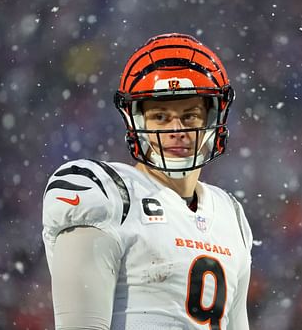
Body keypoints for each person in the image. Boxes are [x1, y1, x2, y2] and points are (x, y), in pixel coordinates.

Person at [42, 33, 253, 330]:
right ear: (137, 122)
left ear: (214, 118)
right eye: (161, 116)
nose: (177, 129)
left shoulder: (230, 215)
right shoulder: (106, 194)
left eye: (190, 115)